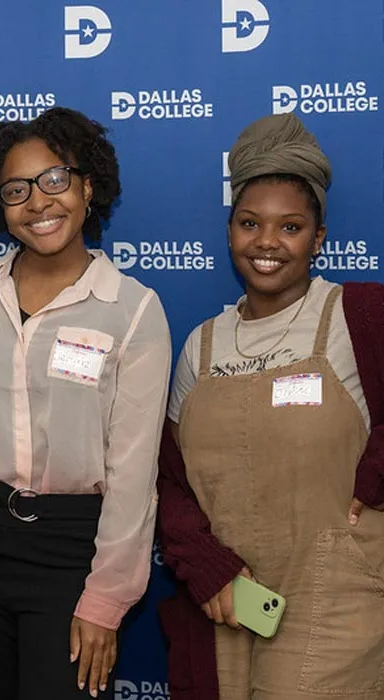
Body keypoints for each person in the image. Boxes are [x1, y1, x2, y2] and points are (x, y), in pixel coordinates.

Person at [0, 106, 171, 700]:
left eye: (55, 179)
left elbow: (132, 472)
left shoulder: (133, 309)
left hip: (70, 550)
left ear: (88, 185)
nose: (39, 203)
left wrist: (107, 596)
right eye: (16, 190)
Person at [157, 113, 384, 700]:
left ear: (319, 239)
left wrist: (375, 478)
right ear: (229, 230)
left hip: (336, 595)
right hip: (231, 603)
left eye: (291, 226)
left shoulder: (358, 316)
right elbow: (168, 479)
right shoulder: (200, 344)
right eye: (250, 223)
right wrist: (207, 568)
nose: (266, 242)